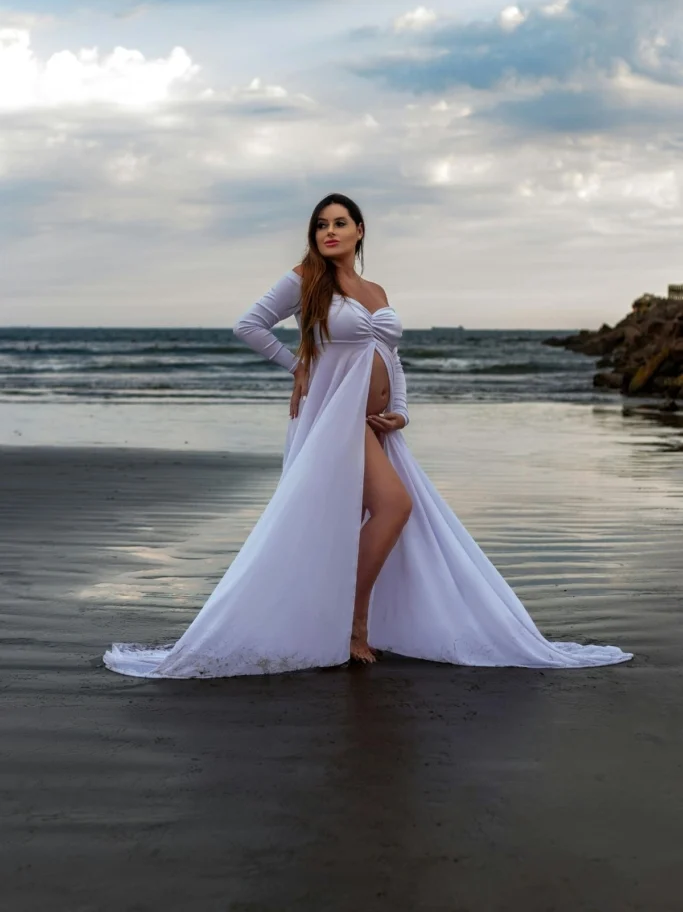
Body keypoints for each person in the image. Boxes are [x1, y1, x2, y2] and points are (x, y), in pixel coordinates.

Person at [103, 193, 633, 678]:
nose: (328, 232)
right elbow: (248, 325)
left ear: (359, 230)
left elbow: (391, 357)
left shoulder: (376, 290)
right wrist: (297, 367)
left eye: (339, 223)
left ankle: (345, 616)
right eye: (320, 225)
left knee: (370, 518)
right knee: (395, 507)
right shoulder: (307, 279)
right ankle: (352, 623)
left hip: (377, 426)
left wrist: (400, 410)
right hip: (337, 418)